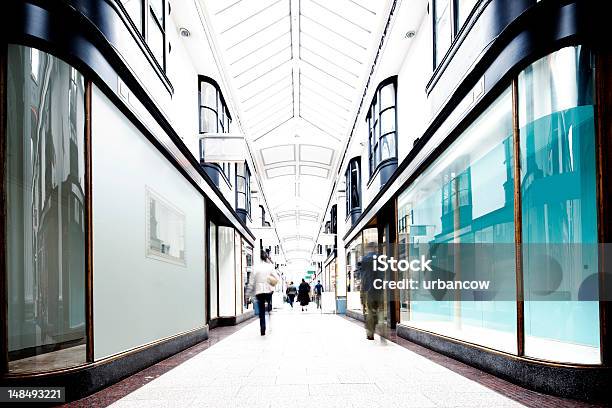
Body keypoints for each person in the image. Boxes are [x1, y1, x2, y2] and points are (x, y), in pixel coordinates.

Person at [247, 249, 277, 335]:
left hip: (259, 291)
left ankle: (262, 328)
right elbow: (276, 278)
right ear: (266, 257)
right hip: (268, 290)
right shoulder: (270, 266)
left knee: (261, 310)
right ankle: (270, 323)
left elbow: (251, 282)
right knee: (269, 307)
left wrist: (248, 292)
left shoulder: (255, 267)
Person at [360, 243, 383, 340]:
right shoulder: (380, 258)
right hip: (379, 288)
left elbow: (362, 276)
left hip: (368, 290)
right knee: (380, 310)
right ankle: (382, 330)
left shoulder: (364, 259)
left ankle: (370, 334)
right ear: (375, 248)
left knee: (370, 311)